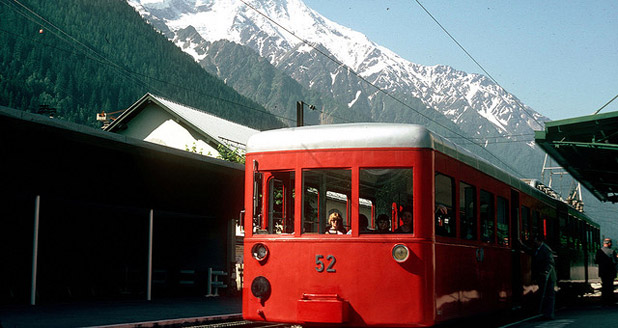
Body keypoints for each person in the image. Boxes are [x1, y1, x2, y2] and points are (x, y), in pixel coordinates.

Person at [530, 233, 556, 320]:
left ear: (539, 241)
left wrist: (546, 272)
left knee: (549, 295)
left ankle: (549, 314)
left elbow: (550, 262)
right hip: (542, 276)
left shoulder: (546, 249)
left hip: (548, 276)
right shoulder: (538, 249)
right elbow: (531, 252)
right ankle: (545, 313)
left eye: (536, 240)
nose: (534, 242)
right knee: (545, 295)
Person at [595, 238, 617, 305]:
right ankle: (610, 300)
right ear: (609, 243)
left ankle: (604, 300)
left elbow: (596, 261)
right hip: (610, 272)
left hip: (602, 271)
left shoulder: (599, 251)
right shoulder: (611, 251)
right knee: (610, 286)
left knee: (604, 286)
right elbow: (614, 262)